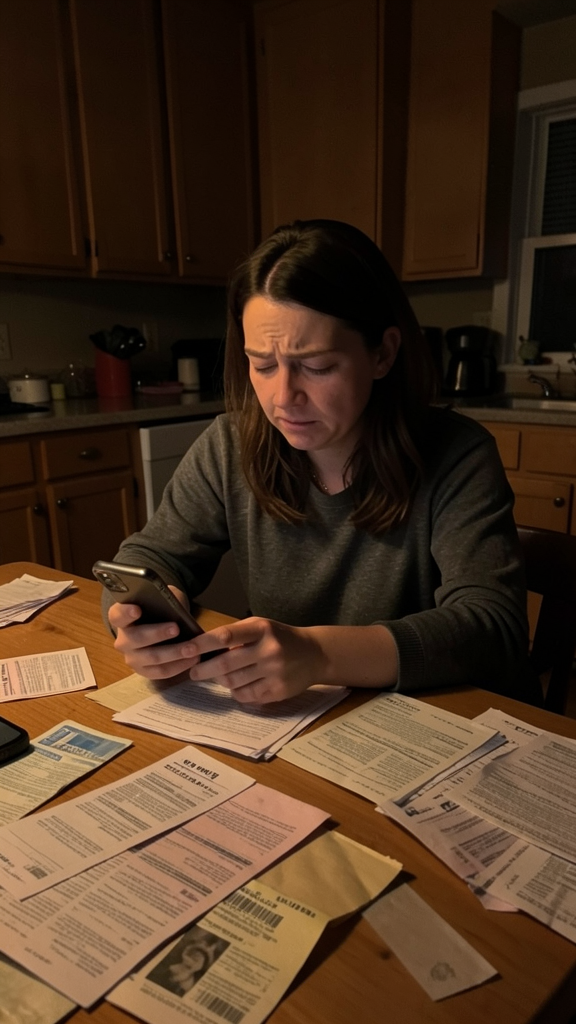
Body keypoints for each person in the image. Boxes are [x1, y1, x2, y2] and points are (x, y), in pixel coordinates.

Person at [105, 219, 538, 706]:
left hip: (435, 717)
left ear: (383, 354)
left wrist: (317, 654)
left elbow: (492, 627)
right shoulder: (230, 445)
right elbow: (147, 559)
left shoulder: (458, 454)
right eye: (262, 365)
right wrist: (137, 618)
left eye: (317, 366)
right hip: (299, 720)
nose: (282, 397)